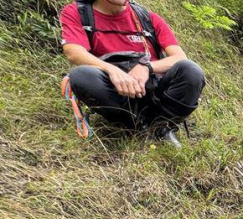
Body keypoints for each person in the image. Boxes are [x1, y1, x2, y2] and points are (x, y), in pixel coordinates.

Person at [59, 0, 205, 147]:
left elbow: (179, 57)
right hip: (116, 91)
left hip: (154, 89)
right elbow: (74, 52)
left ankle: (162, 126)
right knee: (81, 75)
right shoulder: (78, 13)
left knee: (191, 71)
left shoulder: (147, 18)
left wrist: (147, 67)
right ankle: (136, 125)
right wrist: (111, 69)